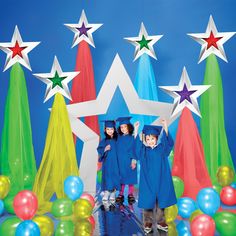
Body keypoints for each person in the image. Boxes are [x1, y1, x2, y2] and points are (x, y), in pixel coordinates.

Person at [133, 119, 177, 234]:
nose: (150, 141)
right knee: (147, 202)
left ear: (156, 139)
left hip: (161, 180)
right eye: (148, 139)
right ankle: (148, 222)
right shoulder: (144, 151)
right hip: (148, 181)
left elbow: (169, 144)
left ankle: (161, 222)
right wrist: (136, 130)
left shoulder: (162, 149)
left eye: (152, 139)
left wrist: (166, 127)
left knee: (160, 202)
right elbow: (136, 149)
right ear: (145, 140)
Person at [97, 120, 120, 203]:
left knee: (115, 177)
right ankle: (106, 192)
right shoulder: (104, 141)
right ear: (105, 130)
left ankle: (113, 193)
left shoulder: (117, 140)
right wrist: (105, 149)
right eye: (108, 129)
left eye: (111, 129)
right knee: (107, 176)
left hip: (116, 163)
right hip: (107, 163)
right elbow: (99, 149)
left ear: (114, 129)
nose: (110, 131)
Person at [116, 117, 137, 203]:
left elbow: (136, 148)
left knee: (130, 179)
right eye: (121, 127)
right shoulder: (118, 138)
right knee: (122, 180)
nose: (123, 129)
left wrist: (134, 161)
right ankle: (120, 195)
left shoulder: (132, 137)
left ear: (129, 126)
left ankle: (130, 195)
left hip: (130, 161)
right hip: (121, 162)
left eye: (125, 126)